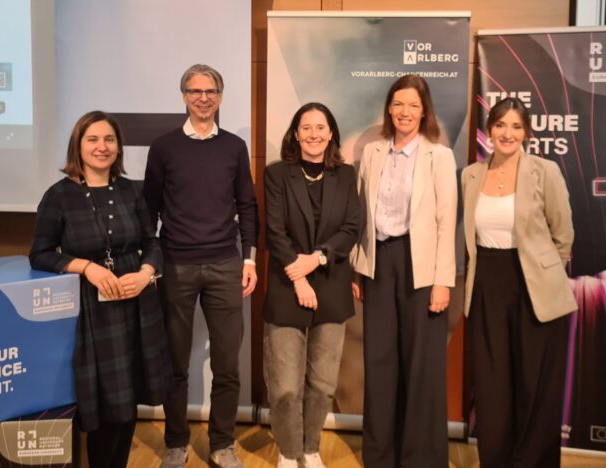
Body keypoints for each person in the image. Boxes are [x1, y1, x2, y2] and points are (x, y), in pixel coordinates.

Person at [29, 111, 171, 468]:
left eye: (109, 139)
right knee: (108, 408)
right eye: (92, 139)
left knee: (129, 403)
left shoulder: (131, 190)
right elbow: (40, 254)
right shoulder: (59, 196)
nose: (101, 147)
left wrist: (146, 272)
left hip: (137, 305)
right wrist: (86, 267)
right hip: (93, 312)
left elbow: (151, 242)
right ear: (78, 146)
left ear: (118, 147)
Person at [143, 64, 258, 468]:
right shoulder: (164, 148)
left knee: (227, 364)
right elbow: (149, 210)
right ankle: (176, 443)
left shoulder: (234, 147)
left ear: (220, 97)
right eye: (195, 91)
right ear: (184, 96)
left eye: (210, 91)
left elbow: (247, 205)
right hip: (175, 266)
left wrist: (250, 258)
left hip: (226, 264)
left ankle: (222, 444)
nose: (203, 98)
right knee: (175, 364)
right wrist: (150, 264)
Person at [462, 97, 576, 467]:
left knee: (534, 383)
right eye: (500, 125)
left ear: (526, 133)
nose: (507, 133)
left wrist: (545, 275)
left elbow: (563, 236)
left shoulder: (544, 171)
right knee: (492, 385)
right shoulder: (470, 175)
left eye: (515, 126)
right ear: (489, 131)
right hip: (486, 285)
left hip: (534, 289)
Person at [352, 74, 457, 468]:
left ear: (424, 110)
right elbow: (361, 215)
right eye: (398, 104)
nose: (405, 112)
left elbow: (447, 221)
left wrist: (443, 281)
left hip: (422, 268)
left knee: (421, 365)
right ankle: (380, 456)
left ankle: (421, 458)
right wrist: (358, 268)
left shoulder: (438, 156)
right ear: (389, 109)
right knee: (379, 363)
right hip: (379, 263)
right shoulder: (373, 152)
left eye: (413, 105)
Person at [263, 103, 363, 468]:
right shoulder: (277, 174)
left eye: (320, 127)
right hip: (287, 286)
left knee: (322, 381)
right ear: (295, 133)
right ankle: (289, 452)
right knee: (285, 383)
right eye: (306, 128)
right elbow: (275, 231)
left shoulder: (346, 175)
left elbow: (351, 228)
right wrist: (300, 276)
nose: (313, 134)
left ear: (331, 132)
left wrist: (318, 259)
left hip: (332, 287)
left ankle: (310, 447)